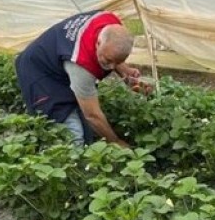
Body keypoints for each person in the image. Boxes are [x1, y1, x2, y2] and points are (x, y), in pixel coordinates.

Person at [15, 10, 145, 147]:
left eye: (117, 61)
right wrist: (116, 142)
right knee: (74, 135)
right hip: (38, 71)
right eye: (108, 60)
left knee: (88, 130)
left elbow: (113, 56)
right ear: (98, 43)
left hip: (60, 62)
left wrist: (126, 73)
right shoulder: (81, 65)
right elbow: (92, 115)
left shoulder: (111, 24)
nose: (112, 67)